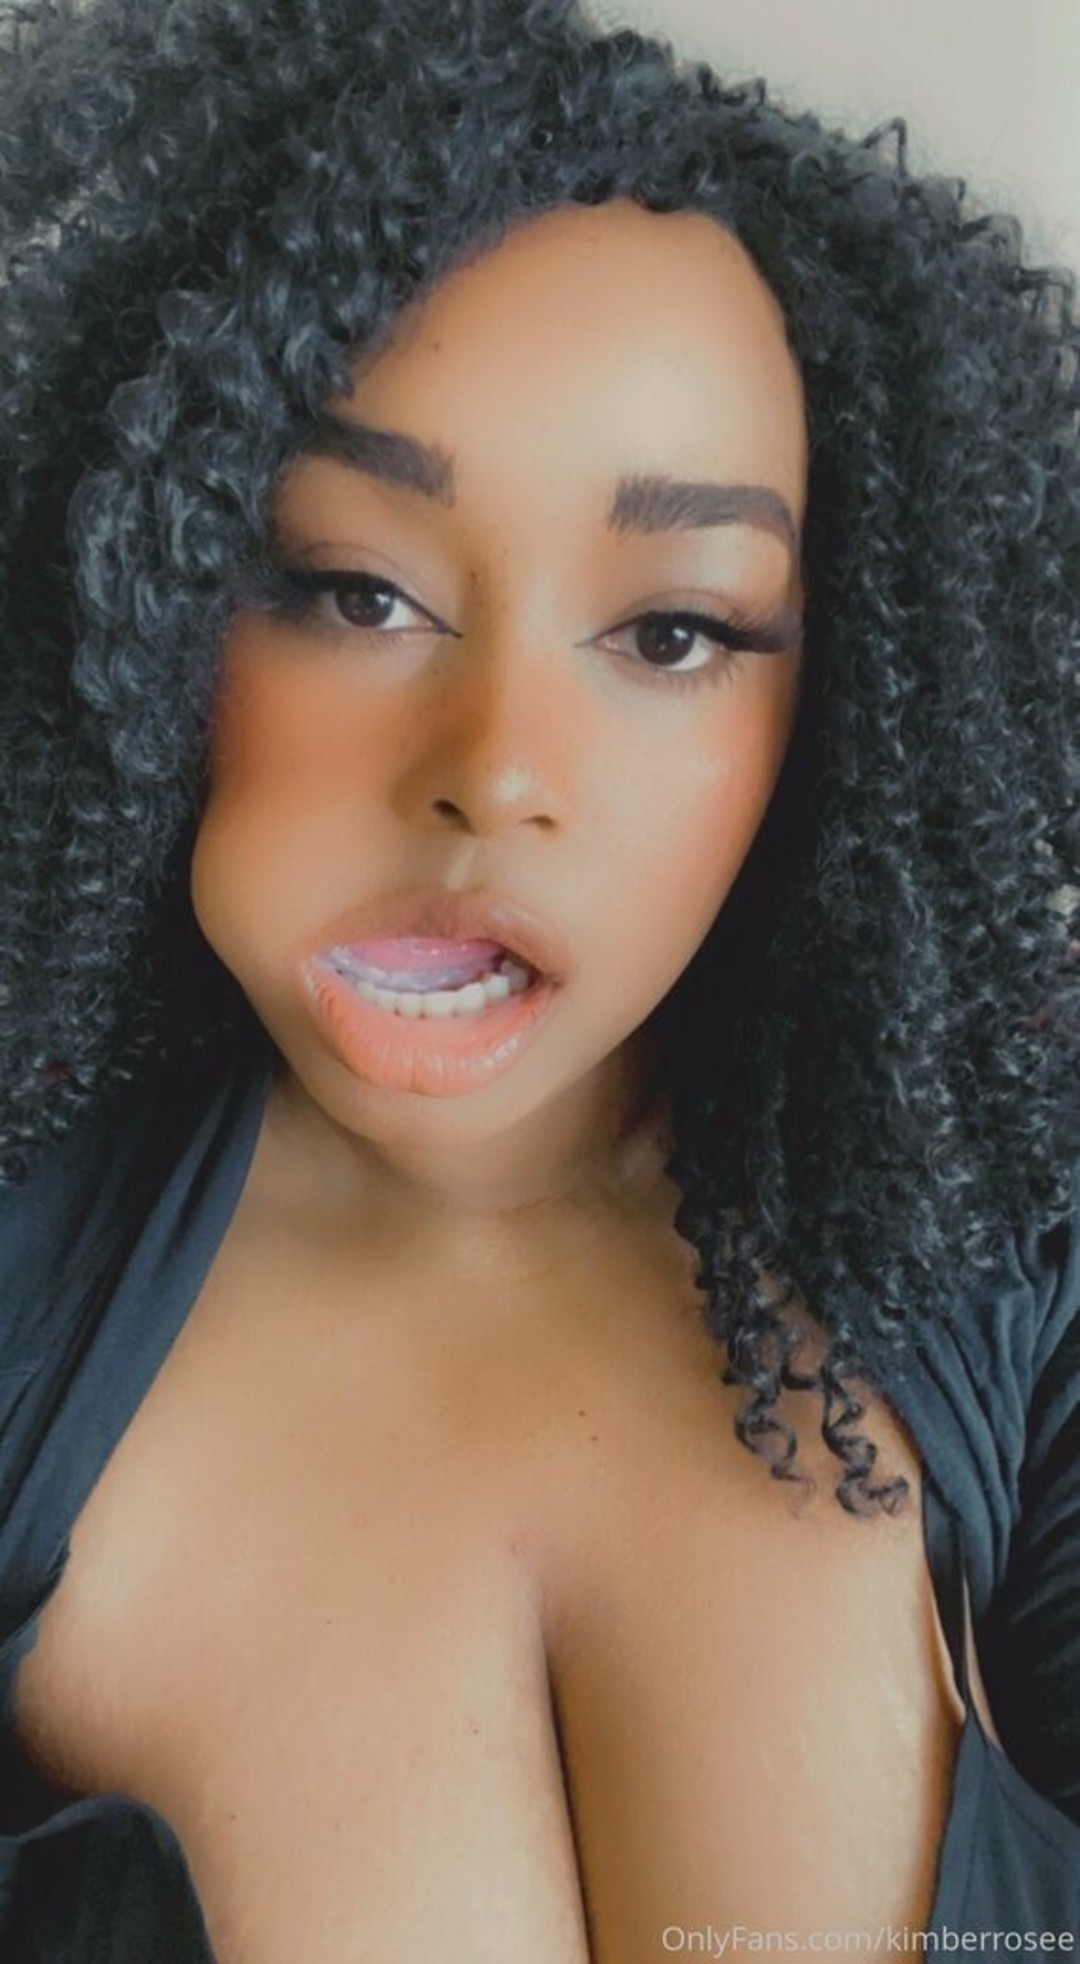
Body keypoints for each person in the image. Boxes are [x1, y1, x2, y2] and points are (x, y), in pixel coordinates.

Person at [0, 0, 1077, 1957]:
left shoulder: (1021, 1251)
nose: (497, 770)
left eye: (673, 633)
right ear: (139, 589)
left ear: (839, 700)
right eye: (354, 591)